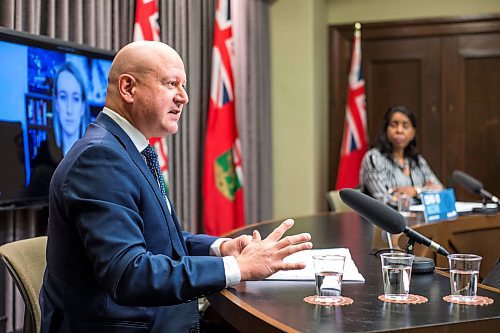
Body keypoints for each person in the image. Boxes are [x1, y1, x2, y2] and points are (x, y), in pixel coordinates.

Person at [39, 41, 313, 333]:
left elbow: (156, 239)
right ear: (128, 88)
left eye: (183, 85)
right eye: (172, 84)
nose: (184, 97)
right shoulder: (99, 159)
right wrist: (240, 268)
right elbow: (129, 274)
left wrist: (221, 248)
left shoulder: (127, 148)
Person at [360, 105, 442, 201]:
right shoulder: (374, 158)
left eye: (405, 126)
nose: (399, 130)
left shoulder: (417, 161)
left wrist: (416, 191)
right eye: (394, 125)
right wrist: (425, 193)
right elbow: (385, 199)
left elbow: (441, 191)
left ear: (412, 133)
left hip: (419, 216)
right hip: (384, 216)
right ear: (386, 130)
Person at [52, 61, 90, 156]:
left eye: (76, 99)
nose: (69, 110)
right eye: (63, 97)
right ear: (56, 104)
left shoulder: (96, 158)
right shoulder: (43, 159)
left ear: (83, 107)